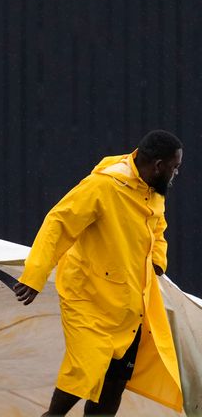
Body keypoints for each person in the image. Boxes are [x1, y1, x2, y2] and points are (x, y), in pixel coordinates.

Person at [13, 130, 185, 416]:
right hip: (89, 300)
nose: (175, 173)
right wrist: (34, 276)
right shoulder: (103, 186)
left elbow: (158, 228)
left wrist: (157, 260)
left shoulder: (152, 191)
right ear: (157, 166)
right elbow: (59, 224)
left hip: (129, 309)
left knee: (113, 385)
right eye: (174, 167)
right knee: (82, 373)